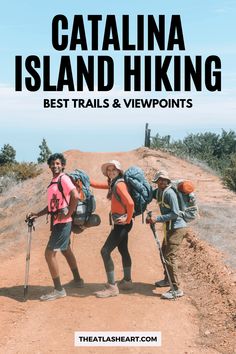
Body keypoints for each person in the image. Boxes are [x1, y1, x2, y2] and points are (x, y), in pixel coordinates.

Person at [26, 153, 84, 301]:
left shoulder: (63, 178)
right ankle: (78, 280)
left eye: (58, 163)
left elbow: (75, 196)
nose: (55, 166)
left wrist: (67, 214)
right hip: (59, 221)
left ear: (63, 165)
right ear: (49, 166)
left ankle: (59, 290)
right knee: (65, 249)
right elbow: (52, 206)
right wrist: (37, 214)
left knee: (49, 254)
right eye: (52, 163)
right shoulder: (54, 182)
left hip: (63, 222)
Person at [90, 160, 134, 298]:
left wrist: (127, 219)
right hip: (122, 223)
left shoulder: (119, 185)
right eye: (108, 170)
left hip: (122, 224)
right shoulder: (114, 183)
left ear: (119, 171)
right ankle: (127, 281)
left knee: (105, 251)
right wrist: (87, 180)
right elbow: (100, 185)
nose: (110, 172)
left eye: (113, 169)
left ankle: (112, 287)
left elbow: (130, 203)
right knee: (123, 249)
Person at [147, 170, 188, 300]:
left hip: (177, 228)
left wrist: (157, 218)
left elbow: (175, 213)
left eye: (164, 180)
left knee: (169, 256)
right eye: (160, 179)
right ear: (156, 181)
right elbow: (148, 194)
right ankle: (167, 279)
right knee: (163, 252)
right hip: (170, 228)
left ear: (168, 181)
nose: (162, 181)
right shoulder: (158, 191)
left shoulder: (169, 193)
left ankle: (176, 289)